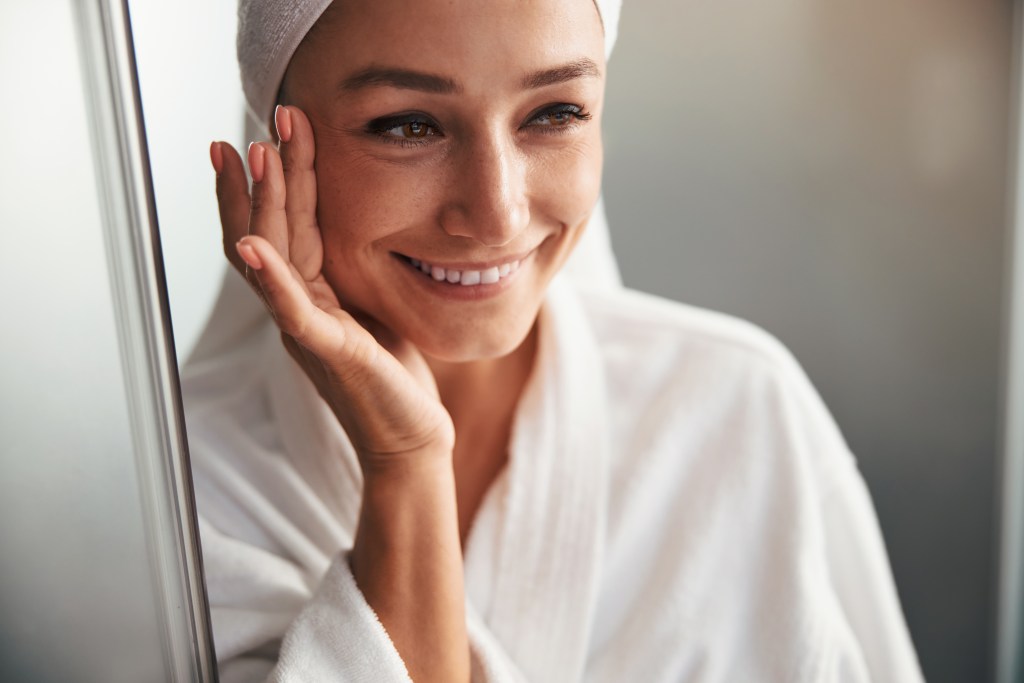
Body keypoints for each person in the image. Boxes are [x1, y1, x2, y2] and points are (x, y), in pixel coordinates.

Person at [184, 0, 925, 680]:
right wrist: (404, 464)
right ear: (277, 145)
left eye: (556, 113)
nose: (498, 213)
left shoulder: (740, 416)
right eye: (410, 125)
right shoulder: (176, 492)